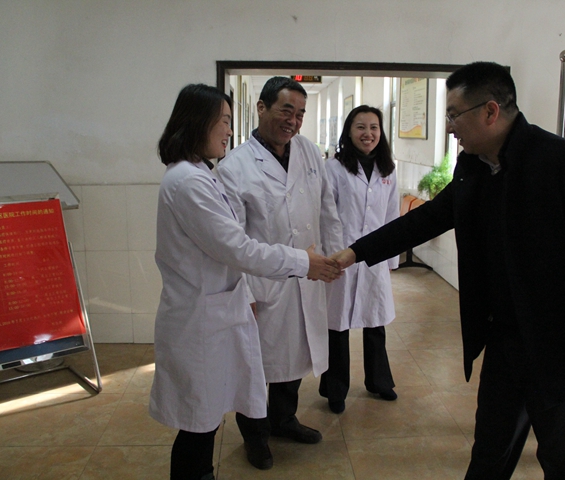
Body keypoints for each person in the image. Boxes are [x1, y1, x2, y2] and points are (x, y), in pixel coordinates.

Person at [330, 62, 565, 479]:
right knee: (489, 451)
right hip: (505, 338)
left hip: (559, 346)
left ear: (490, 111)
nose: (449, 126)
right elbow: (427, 219)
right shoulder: (474, 166)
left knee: (563, 462)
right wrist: (355, 252)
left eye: (454, 114)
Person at [148, 84, 341, 480]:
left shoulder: (199, 174)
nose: (228, 131)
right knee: (201, 419)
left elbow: (322, 207)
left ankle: (263, 432)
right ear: (199, 122)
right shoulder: (192, 182)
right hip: (207, 313)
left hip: (223, 303)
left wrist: (317, 260)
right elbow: (238, 247)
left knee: (208, 413)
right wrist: (301, 261)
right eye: (223, 121)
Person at [217, 76, 344, 470]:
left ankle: (284, 419)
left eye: (300, 113)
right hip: (263, 283)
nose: (294, 120)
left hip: (308, 275)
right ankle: (255, 436)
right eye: (286, 110)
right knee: (255, 365)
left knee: (296, 355)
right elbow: (232, 242)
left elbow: (327, 208)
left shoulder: (308, 152)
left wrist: (336, 258)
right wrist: (246, 294)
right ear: (262, 108)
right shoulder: (235, 167)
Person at [318, 105, 400, 414]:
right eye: (361, 127)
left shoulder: (388, 169)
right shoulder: (334, 168)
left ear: (381, 132)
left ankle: (379, 381)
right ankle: (335, 388)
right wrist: (332, 257)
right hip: (341, 255)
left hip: (374, 258)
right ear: (349, 132)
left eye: (374, 127)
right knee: (337, 325)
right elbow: (327, 215)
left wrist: (391, 261)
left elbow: (392, 217)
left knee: (375, 320)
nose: (368, 133)